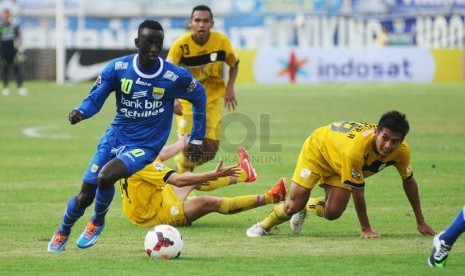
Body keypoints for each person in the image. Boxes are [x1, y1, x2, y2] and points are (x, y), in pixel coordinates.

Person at [47, 19, 207, 253]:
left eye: (158, 44)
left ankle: (97, 222)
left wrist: (196, 138)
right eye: (148, 43)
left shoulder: (173, 76)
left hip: (146, 145)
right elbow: (95, 99)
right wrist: (81, 111)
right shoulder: (118, 68)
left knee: (106, 176)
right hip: (115, 137)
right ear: (136, 42)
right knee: (85, 193)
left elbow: (199, 95)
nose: (154, 49)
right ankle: (63, 230)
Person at [246, 111, 436, 238]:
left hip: (340, 162)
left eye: (395, 141)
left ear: (402, 141)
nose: (388, 145)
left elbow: (409, 182)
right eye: (385, 138)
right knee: (292, 206)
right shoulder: (356, 150)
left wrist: (421, 221)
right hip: (318, 150)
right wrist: (366, 229)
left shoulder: (402, 152)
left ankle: (306, 207)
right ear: (376, 132)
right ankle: (262, 227)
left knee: (333, 212)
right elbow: (358, 192)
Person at [120, 134, 287, 228]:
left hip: (155, 200)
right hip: (152, 217)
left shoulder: (132, 150)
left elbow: (161, 153)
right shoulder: (143, 163)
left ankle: (244, 173)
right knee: (207, 202)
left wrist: (182, 142)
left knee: (190, 178)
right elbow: (178, 181)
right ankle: (272, 197)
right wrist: (213, 174)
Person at [166, 5, 241, 175]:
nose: (201, 24)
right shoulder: (180, 45)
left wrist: (230, 88)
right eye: (197, 20)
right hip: (187, 100)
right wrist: (173, 99)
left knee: (210, 151)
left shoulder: (221, 42)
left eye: (205, 21)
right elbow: (166, 72)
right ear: (190, 23)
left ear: (212, 23)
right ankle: (185, 178)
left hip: (212, 99)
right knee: (189, 145)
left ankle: (183, 166)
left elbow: (234, 64)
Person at [0, 9, 26, 96]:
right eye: (3, 16)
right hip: (3, 52)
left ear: (9, 16)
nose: (5, 18)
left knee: (16, 69)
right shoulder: (1, 27)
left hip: (13, 51)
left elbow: (18, 39)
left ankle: (20, 87)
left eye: (6, 16)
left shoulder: (14, 26)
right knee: (5, 69)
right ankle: (5, 87)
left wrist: (20, 51)